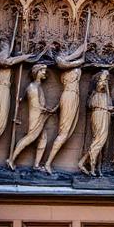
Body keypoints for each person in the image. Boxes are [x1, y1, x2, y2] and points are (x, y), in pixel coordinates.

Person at [44, 42, 89, 170]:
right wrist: (79, 59)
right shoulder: (61, 61)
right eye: (63, 49)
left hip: (74, 97)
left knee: (67, 132)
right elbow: (63, 62)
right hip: (69, 96)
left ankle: (47, 162)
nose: (66, 51)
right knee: (63, 133)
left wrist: (81, 50)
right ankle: (47, 163)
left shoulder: (67, 60)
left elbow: (72, 58)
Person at [8, 64, 56, 172]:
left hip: (40, 117)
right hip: (36, 117)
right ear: (37, 73)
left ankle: (36, 165)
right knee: (29, 139)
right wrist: (48, 111)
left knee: (43, 139)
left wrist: (47, 109)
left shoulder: (37, 86)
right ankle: (11, 159)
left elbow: (39, 104)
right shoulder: (33, 87)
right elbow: (35, 106)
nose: (44, 73)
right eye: (43, 71)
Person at [79, 70, 114, 176]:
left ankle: (83, 163)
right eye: (105, 78)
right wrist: (104, 80)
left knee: (99, 142)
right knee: (99, 141)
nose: (106, 81)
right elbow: (99, 88)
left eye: (107, 78)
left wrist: (110, 108)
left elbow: (108, 103)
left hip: (105, 115)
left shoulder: (105, 96)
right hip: (99, 115)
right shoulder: (98, 92)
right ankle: (91, 167)